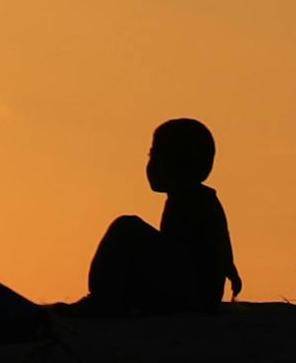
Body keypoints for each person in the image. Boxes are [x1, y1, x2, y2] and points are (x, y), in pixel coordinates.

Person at [83, 119, 241, 315]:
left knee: (126, 228)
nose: (150, 164)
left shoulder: (196, 201)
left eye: (156, 156)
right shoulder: (189, 199)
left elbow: (216, 242)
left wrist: (228, 267)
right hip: (192, 293)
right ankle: (111, 297)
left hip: (192, 295)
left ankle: (102, 299)